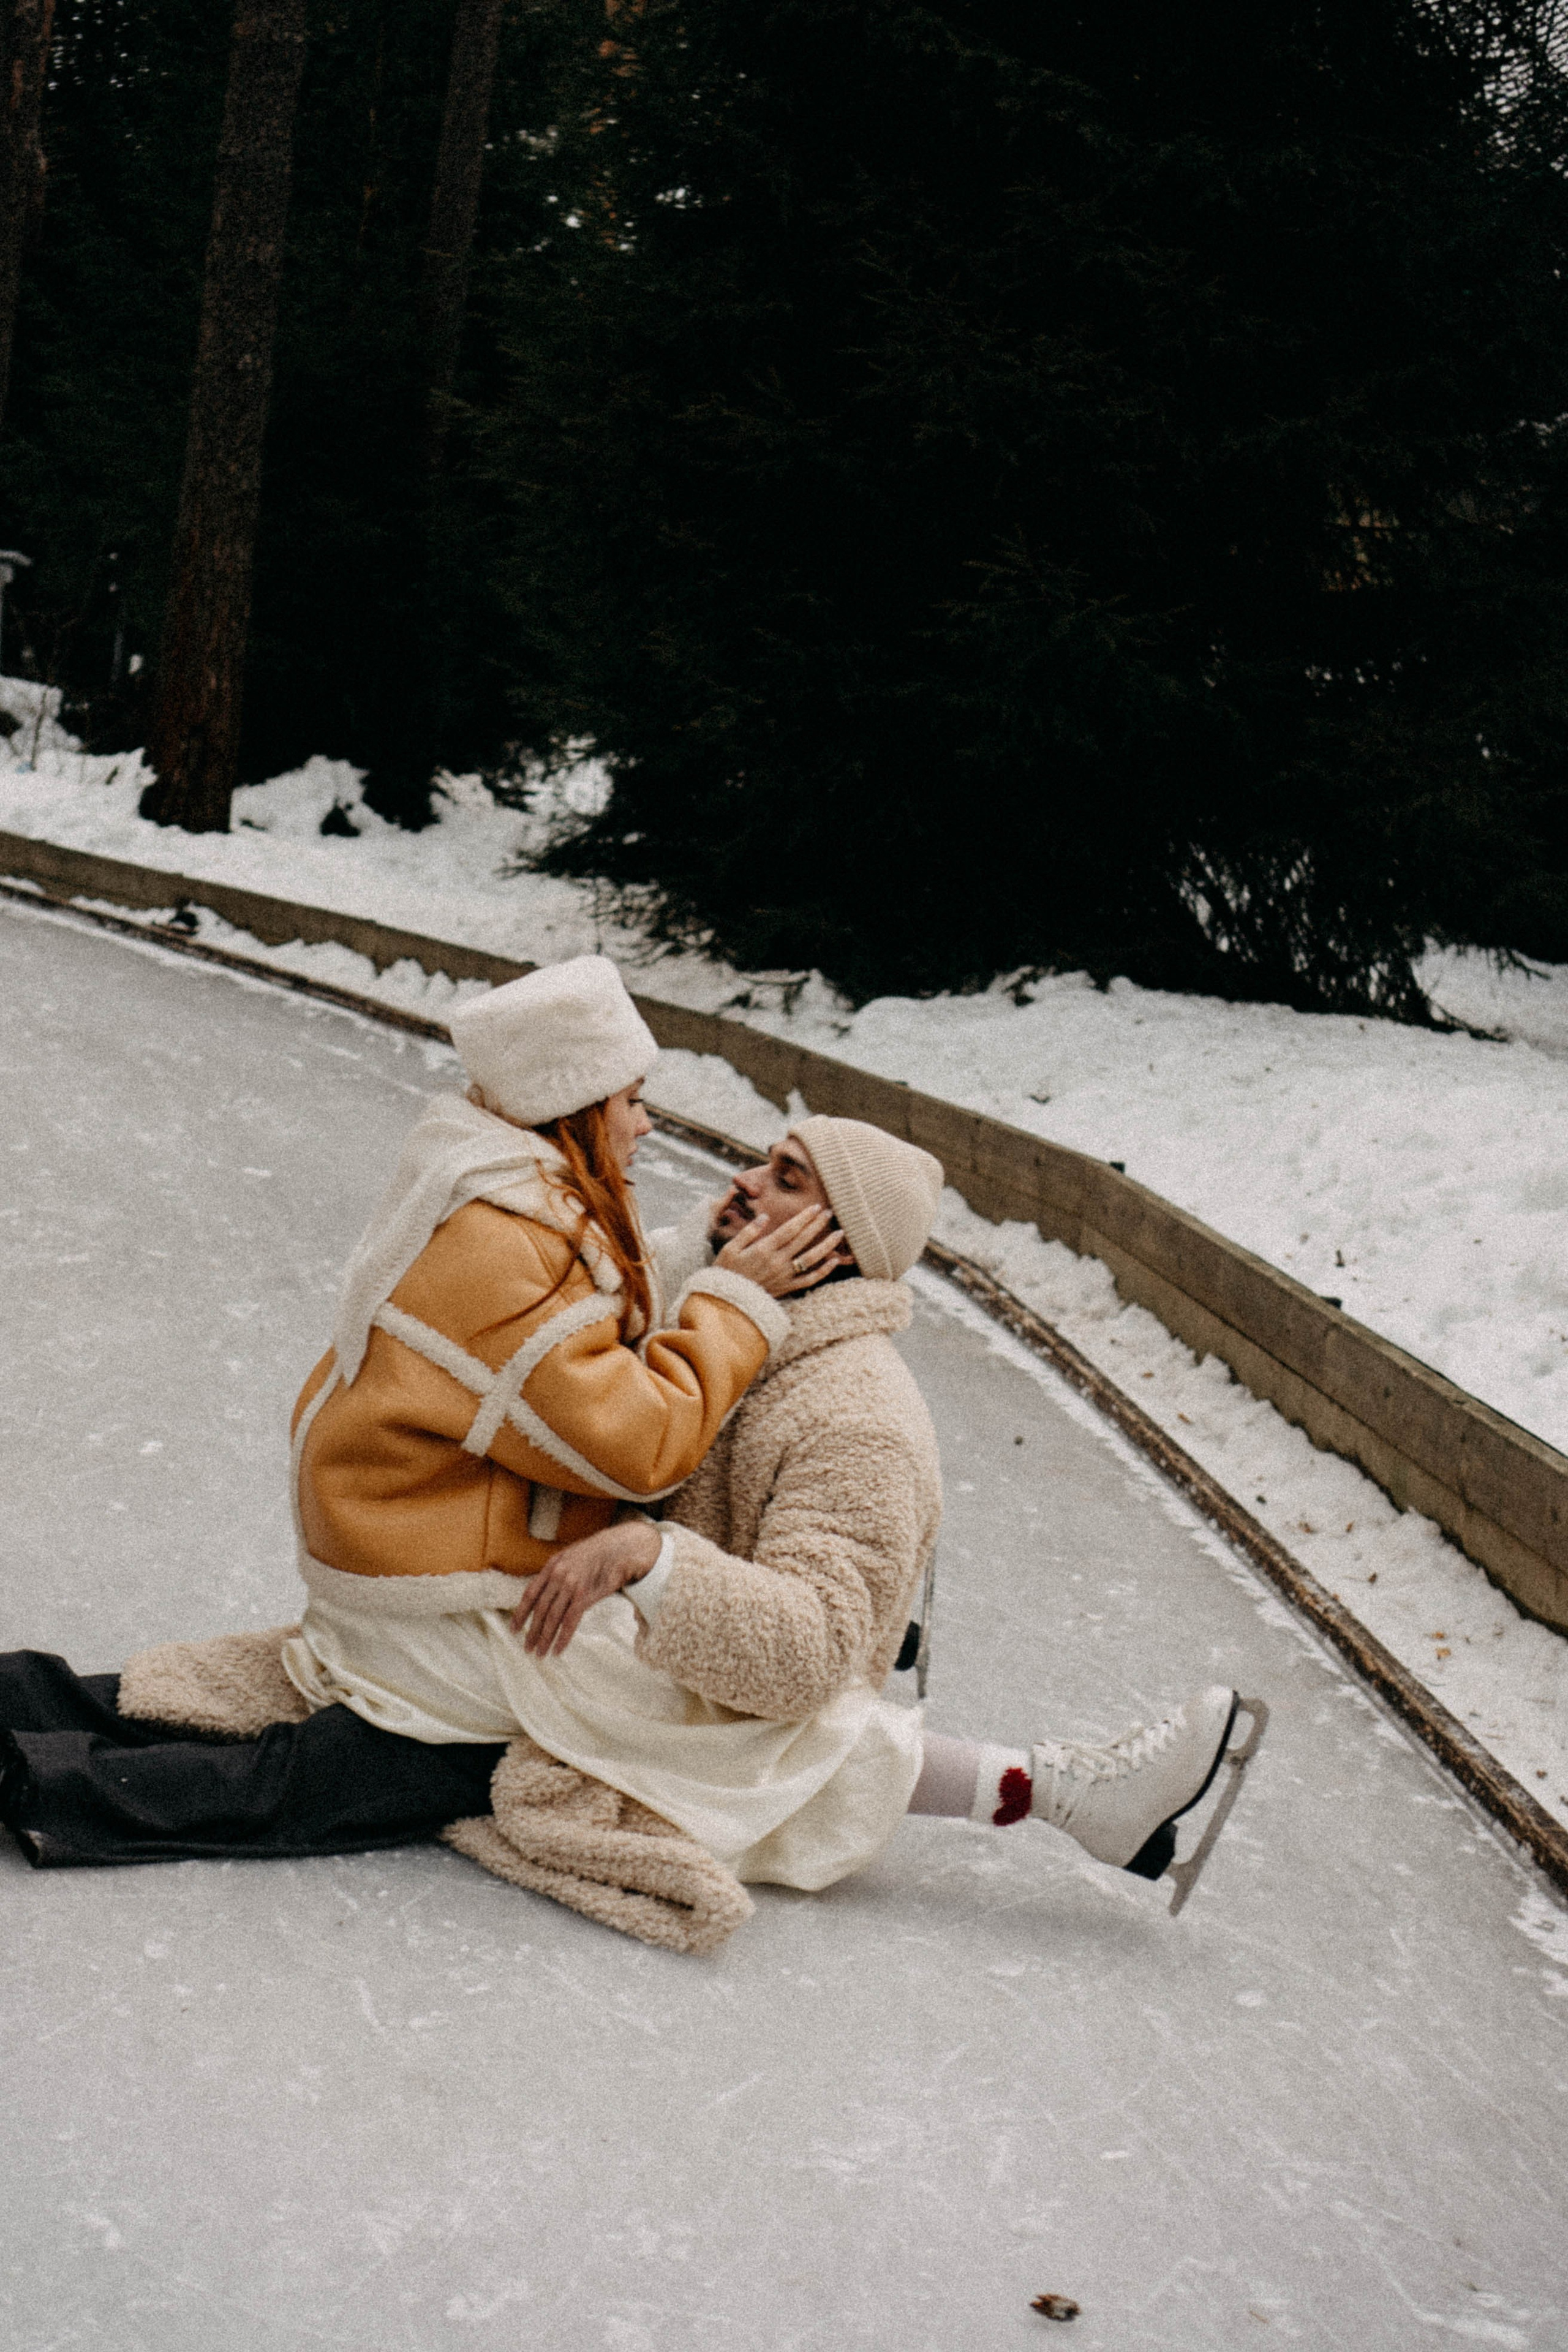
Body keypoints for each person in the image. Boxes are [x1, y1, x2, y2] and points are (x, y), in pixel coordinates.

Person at [2, 981, 1252, 1953]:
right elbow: (624, 1333)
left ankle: (1077, 1798)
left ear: (837, 1245)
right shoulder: (664, 1283)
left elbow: (809, 1650)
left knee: (329, 1748)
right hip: (499, 1609)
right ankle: (1075, 1797)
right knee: (323, 1742)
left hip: (569, 1629)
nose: (731, 1177)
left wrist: (648, 1559)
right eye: (758, 1157)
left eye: (784, 1180)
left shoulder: (856, 1419)